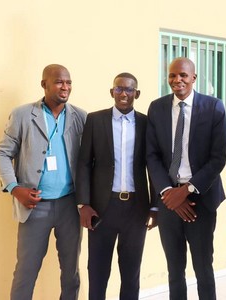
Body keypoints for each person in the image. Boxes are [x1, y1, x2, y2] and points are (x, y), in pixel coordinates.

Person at [0, 64, 87, 300]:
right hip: (34, 207)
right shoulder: (23, 115)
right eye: (58, 82)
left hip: (69, 206)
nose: (65, 87)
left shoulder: (81, 117)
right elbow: (3, 154)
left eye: (68, 82)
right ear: (44, 84)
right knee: (26, 271)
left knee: (71, 273)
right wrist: (15, 189)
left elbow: (90, 161)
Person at [146, 57, 226, 300]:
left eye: (182, 75)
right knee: (174, 270)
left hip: (201, 201)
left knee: (203, 269)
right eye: (172, 75)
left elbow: (218, 158)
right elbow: (151, 156)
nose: (177, 80)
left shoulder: (214, 107)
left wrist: (187, 190)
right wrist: (169, 193)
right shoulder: (157, 107)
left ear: (194, 77)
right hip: (168, 199)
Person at [75, 72, 157, 300]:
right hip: (102, 208)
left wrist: (155, 206)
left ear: (136, 94)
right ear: (111, 92)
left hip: (136, 208)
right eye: (119, 88)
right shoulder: (95, 120)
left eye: (129, 89)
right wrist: (84, 203)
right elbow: (83, 163)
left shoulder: (146, 123)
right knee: (98, 270)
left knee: (131, 273)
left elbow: (154, 165)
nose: (123, 93)